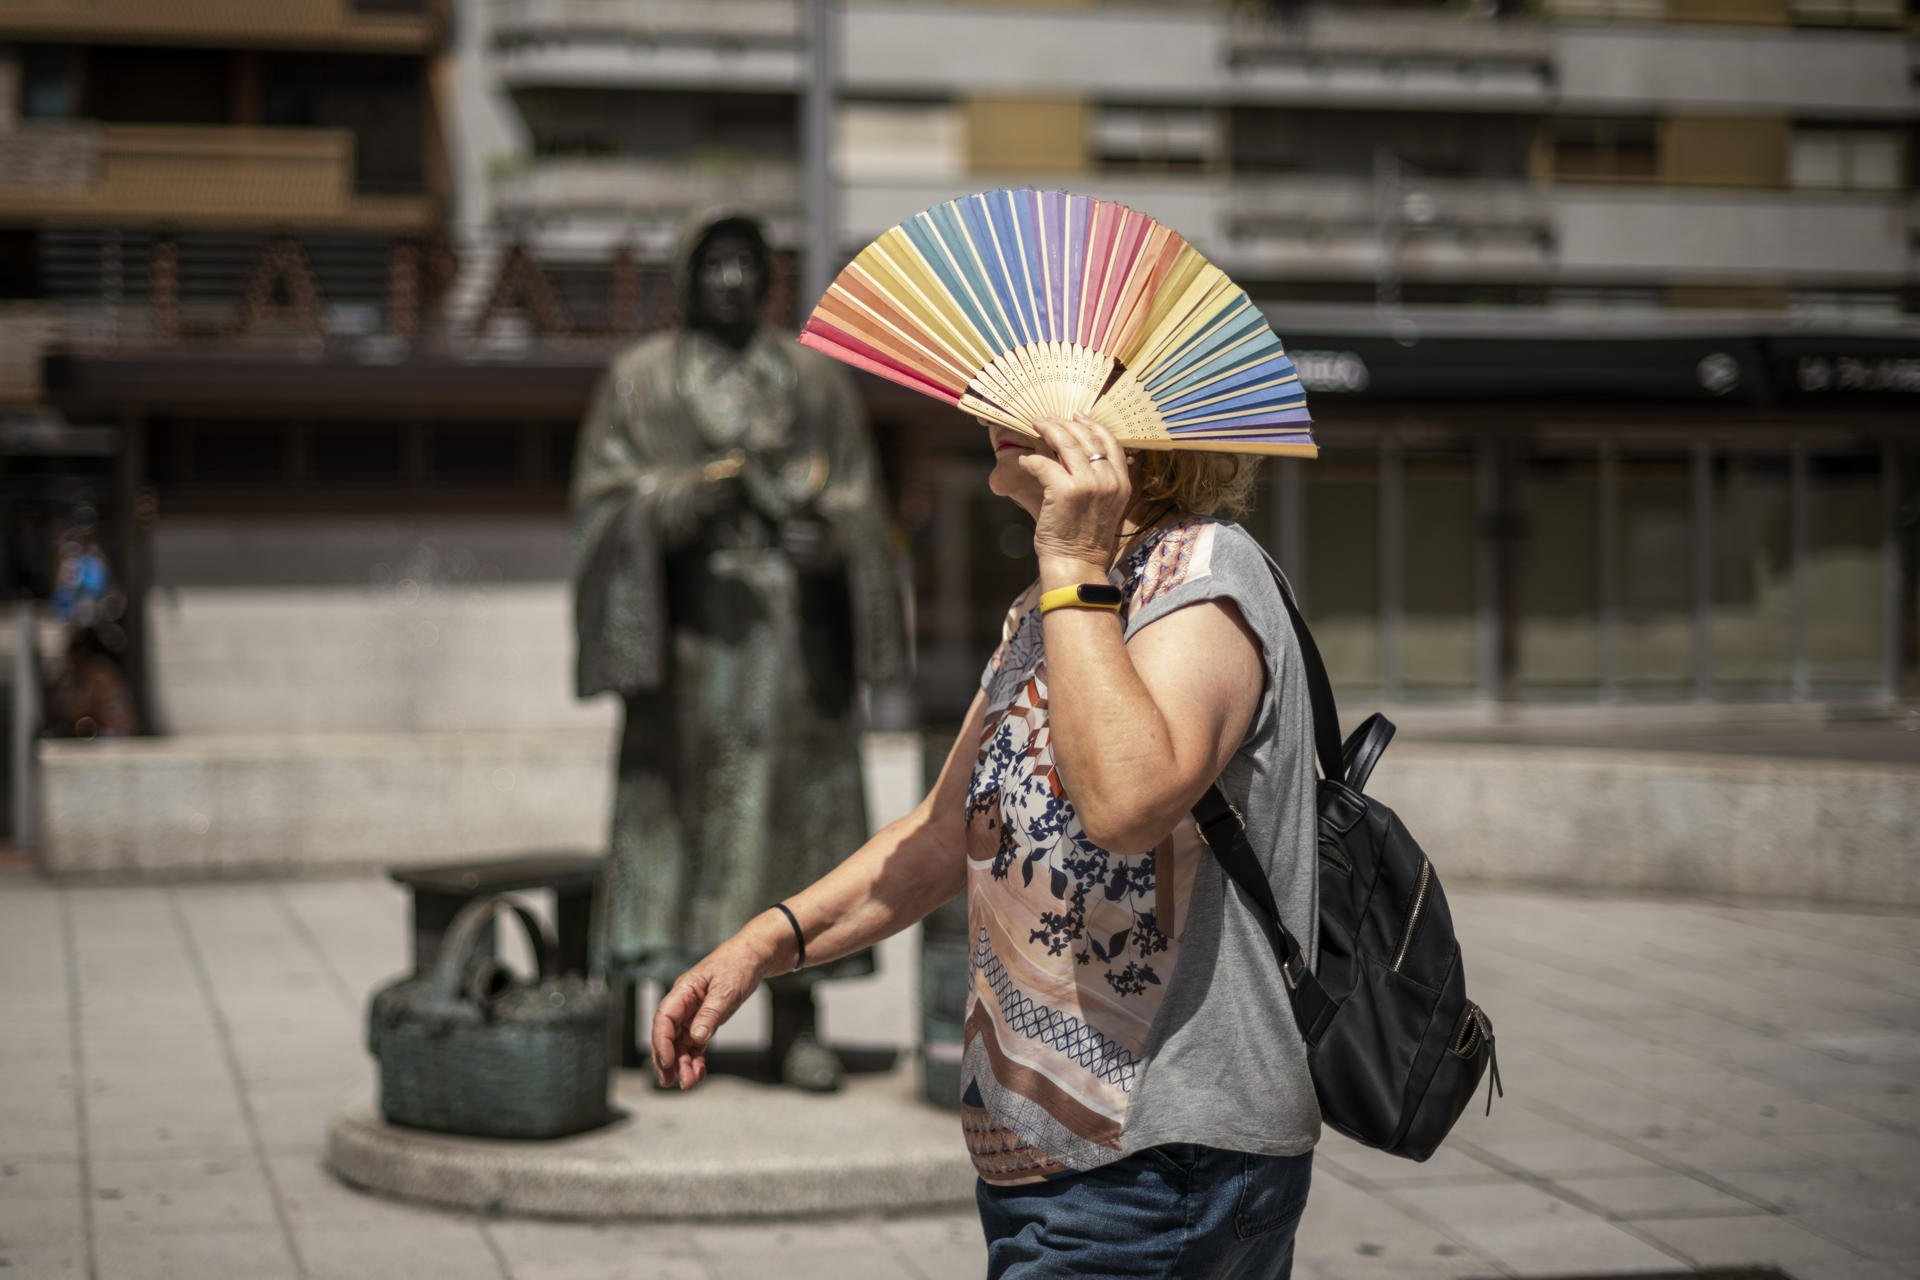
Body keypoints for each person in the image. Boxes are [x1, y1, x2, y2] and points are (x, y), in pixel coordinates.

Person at [653, 413, 1321, 1278]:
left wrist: (1072, 566)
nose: (1002, 416)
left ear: (1142, 430)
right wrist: (765, 943)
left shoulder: (1205, 575)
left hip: (1160, 1168)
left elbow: (1126, 804)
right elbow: (940, 836)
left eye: (1048, 390)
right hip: (1042, 1165)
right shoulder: (1043, 610)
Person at [570, 210, 908, 1093]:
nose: (729, 281)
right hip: (684, 643)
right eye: (713, 264)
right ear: (687, 277)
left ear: (767, 279)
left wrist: (832, 545)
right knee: (668, 827)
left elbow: (865, 506)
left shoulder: (815, 384)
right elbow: (602, 505)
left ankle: (798, 1021)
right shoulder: (639, 382)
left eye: (744, 265)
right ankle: (661, 1016)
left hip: (790, 651)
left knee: (794, 831)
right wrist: (678, 504)